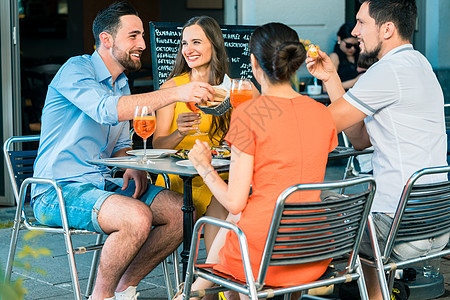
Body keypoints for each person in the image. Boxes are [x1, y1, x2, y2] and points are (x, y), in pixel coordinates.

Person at [30, 2, 215, 300]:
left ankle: (124, 288)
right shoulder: (76, 70)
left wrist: (133, 164)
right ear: (107, 39)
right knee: (136, 216)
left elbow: (119, 147)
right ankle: (100, 297)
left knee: (184, 212)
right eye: (134, 36)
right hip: (56, 190)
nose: (142, 44)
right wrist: (178, 92)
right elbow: (108, 111)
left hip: (101, 184)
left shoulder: (121, 85)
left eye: (141, 36)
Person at [176, 22, 338, 298]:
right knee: (239, 217)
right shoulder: (322, 113)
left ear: (253, 62)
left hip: (263, 254)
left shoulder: (249, 114)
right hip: (312, 249)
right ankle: (196, 290)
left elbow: (235, 200)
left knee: (237, 215)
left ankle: (195, 290)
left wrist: (203, 166)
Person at [306, 0, 448, 299]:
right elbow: (360, 139)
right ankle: (376, 293)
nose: (355, 31)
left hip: (398, 225)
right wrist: (332, 78)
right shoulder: (420, 64)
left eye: (361, 22)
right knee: (356, 209)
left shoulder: (387, 72)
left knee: (301, 206)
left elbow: (322, 124)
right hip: (435, 219)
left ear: (387, 29)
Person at [152, 16, 231, 253]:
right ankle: (207, 284)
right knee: (226, 203)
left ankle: (211, 282)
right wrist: (179, 132)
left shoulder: (230, 89)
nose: (188, 49)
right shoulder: (172, 89)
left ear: (213, 45)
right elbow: (157, 145)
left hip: (218, 174)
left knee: (228, 201)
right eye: (184, 43)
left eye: (196, 42)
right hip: (178, 177)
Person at [329, 23, 362, 90]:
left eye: (355, 45)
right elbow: (327, 87)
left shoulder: (360, 55)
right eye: (348, 45)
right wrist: (356, 81)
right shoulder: (335, 57)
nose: (352, 49)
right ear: (339, 39)